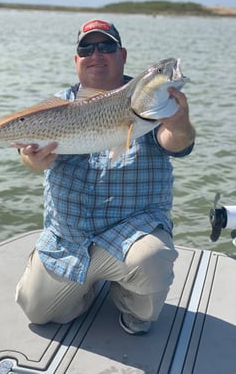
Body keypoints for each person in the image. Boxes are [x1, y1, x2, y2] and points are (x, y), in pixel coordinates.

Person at [15, 19, 195, 335]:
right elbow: (29, 152)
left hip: (132, 233)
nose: (96, 54)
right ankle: (83, 287)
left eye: (106, 46)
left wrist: (179, 122)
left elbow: (175, 142)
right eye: (86, 48)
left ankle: (132, 302)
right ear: (76, 60)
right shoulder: (61, 103)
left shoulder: (148, 105)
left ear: (122, 54)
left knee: (150, 261)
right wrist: (31, 159)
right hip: (69, 238)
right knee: (37, 311)